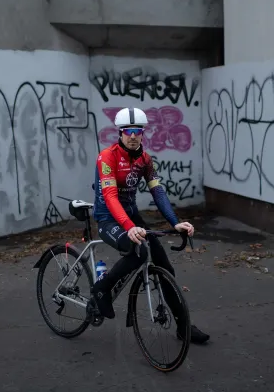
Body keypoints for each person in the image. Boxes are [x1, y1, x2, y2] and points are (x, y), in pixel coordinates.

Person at [89, 107, 210, 345]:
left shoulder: (145, 159)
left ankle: (183, 327)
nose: (133, 136)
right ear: (120, 133)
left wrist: (175, 223)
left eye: (137, 131)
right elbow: (111, 195)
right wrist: (128, 226)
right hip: (109, 218)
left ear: (143, 133)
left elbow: (158, 191)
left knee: (164, 265)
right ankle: (102, 289)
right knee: (139, 251)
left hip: (131, 218)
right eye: (128, 131)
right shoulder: (107, 157)